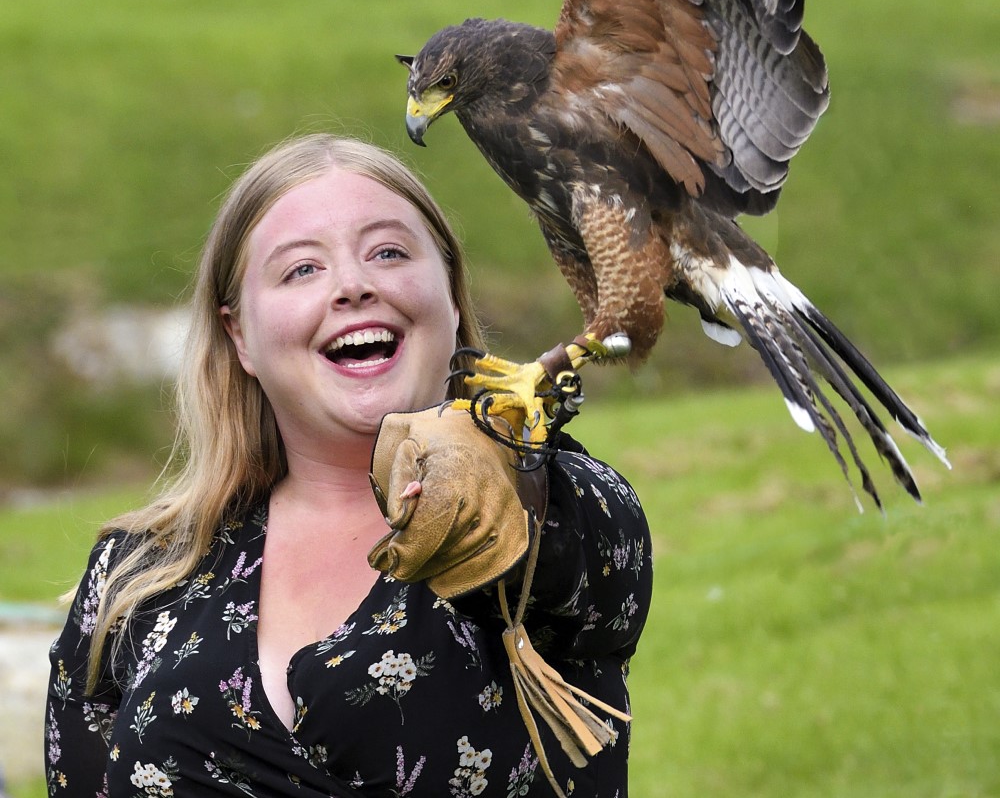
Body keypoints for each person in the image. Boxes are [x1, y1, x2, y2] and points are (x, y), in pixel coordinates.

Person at [45, 133, 653, 797]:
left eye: (389, 252)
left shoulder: (554, 509)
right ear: (239, 334)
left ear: (449, 295)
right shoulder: (139, 572)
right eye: (302, 269)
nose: (354, 286)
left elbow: (582, 557)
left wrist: (505, 460)